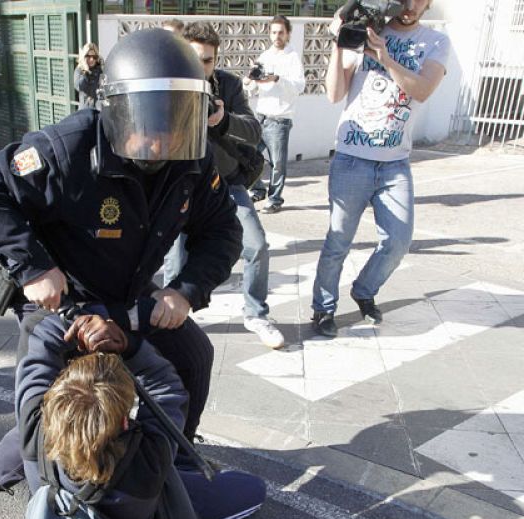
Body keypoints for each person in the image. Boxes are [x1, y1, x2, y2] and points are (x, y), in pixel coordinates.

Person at [0, 27, 243, 519]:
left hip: (131, 292)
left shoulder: (191, 159)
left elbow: (223, 230)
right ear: (116, 108)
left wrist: (186, 290)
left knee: (192, 356)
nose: (162, 139)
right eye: (150, 120)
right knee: (64, 406)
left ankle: (163, 470)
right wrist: (33, 267)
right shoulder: (66, 149)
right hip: (64, 299)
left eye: (176, 118)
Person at [20, 313, 266, 519]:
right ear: (124, 421)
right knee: (254, 488)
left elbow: (35, 341)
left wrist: (68, 321)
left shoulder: (33, 430)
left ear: (53, 403)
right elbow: (165, 384)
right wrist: (128, 345)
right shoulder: (151, 453)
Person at [311, 0, 450, 338]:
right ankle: (323, 308)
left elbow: (422, 90)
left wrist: (384, 56)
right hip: (351, 157)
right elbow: (334, 94)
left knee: (398, 241)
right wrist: (339, 42)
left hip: (395, 164)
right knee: (338, 241)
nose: (411, 5)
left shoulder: (436, 41)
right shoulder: (367, 28)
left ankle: (364, 289)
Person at [163, 21, 285, 349]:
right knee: (176, 260)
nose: (200, 66)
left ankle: (256, 314)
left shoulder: (227, 86)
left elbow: (253, 130)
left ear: (216, 60)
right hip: (179, 185)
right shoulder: (166, 84)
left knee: (256, 245)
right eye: (194, 59)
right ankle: (171, 324)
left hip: (225, 183)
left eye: (207, 60)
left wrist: (222, 119)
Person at [242, 15, 305, 214]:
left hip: (280, 119)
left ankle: (275, 199)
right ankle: (258, 189)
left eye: (281, 32)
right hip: (260, 115)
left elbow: (299, 86)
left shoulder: (292, 57)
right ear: (269, 34)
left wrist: (277, 78)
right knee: (248, 156)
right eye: (274, 32)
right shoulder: (265, 56)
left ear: (288, 34)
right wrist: (249, 80)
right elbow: (252, 86)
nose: (277, 36)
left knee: (277, 164)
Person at [73, 42, 104, 109]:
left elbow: (102, 89)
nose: (91, 59)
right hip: (85, 109)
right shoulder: (79, 70)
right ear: (84, 57)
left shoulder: (99, 70)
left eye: (94, 57)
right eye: (88, 56)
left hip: (98, 108)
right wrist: (86, 71)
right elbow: (79, 86)